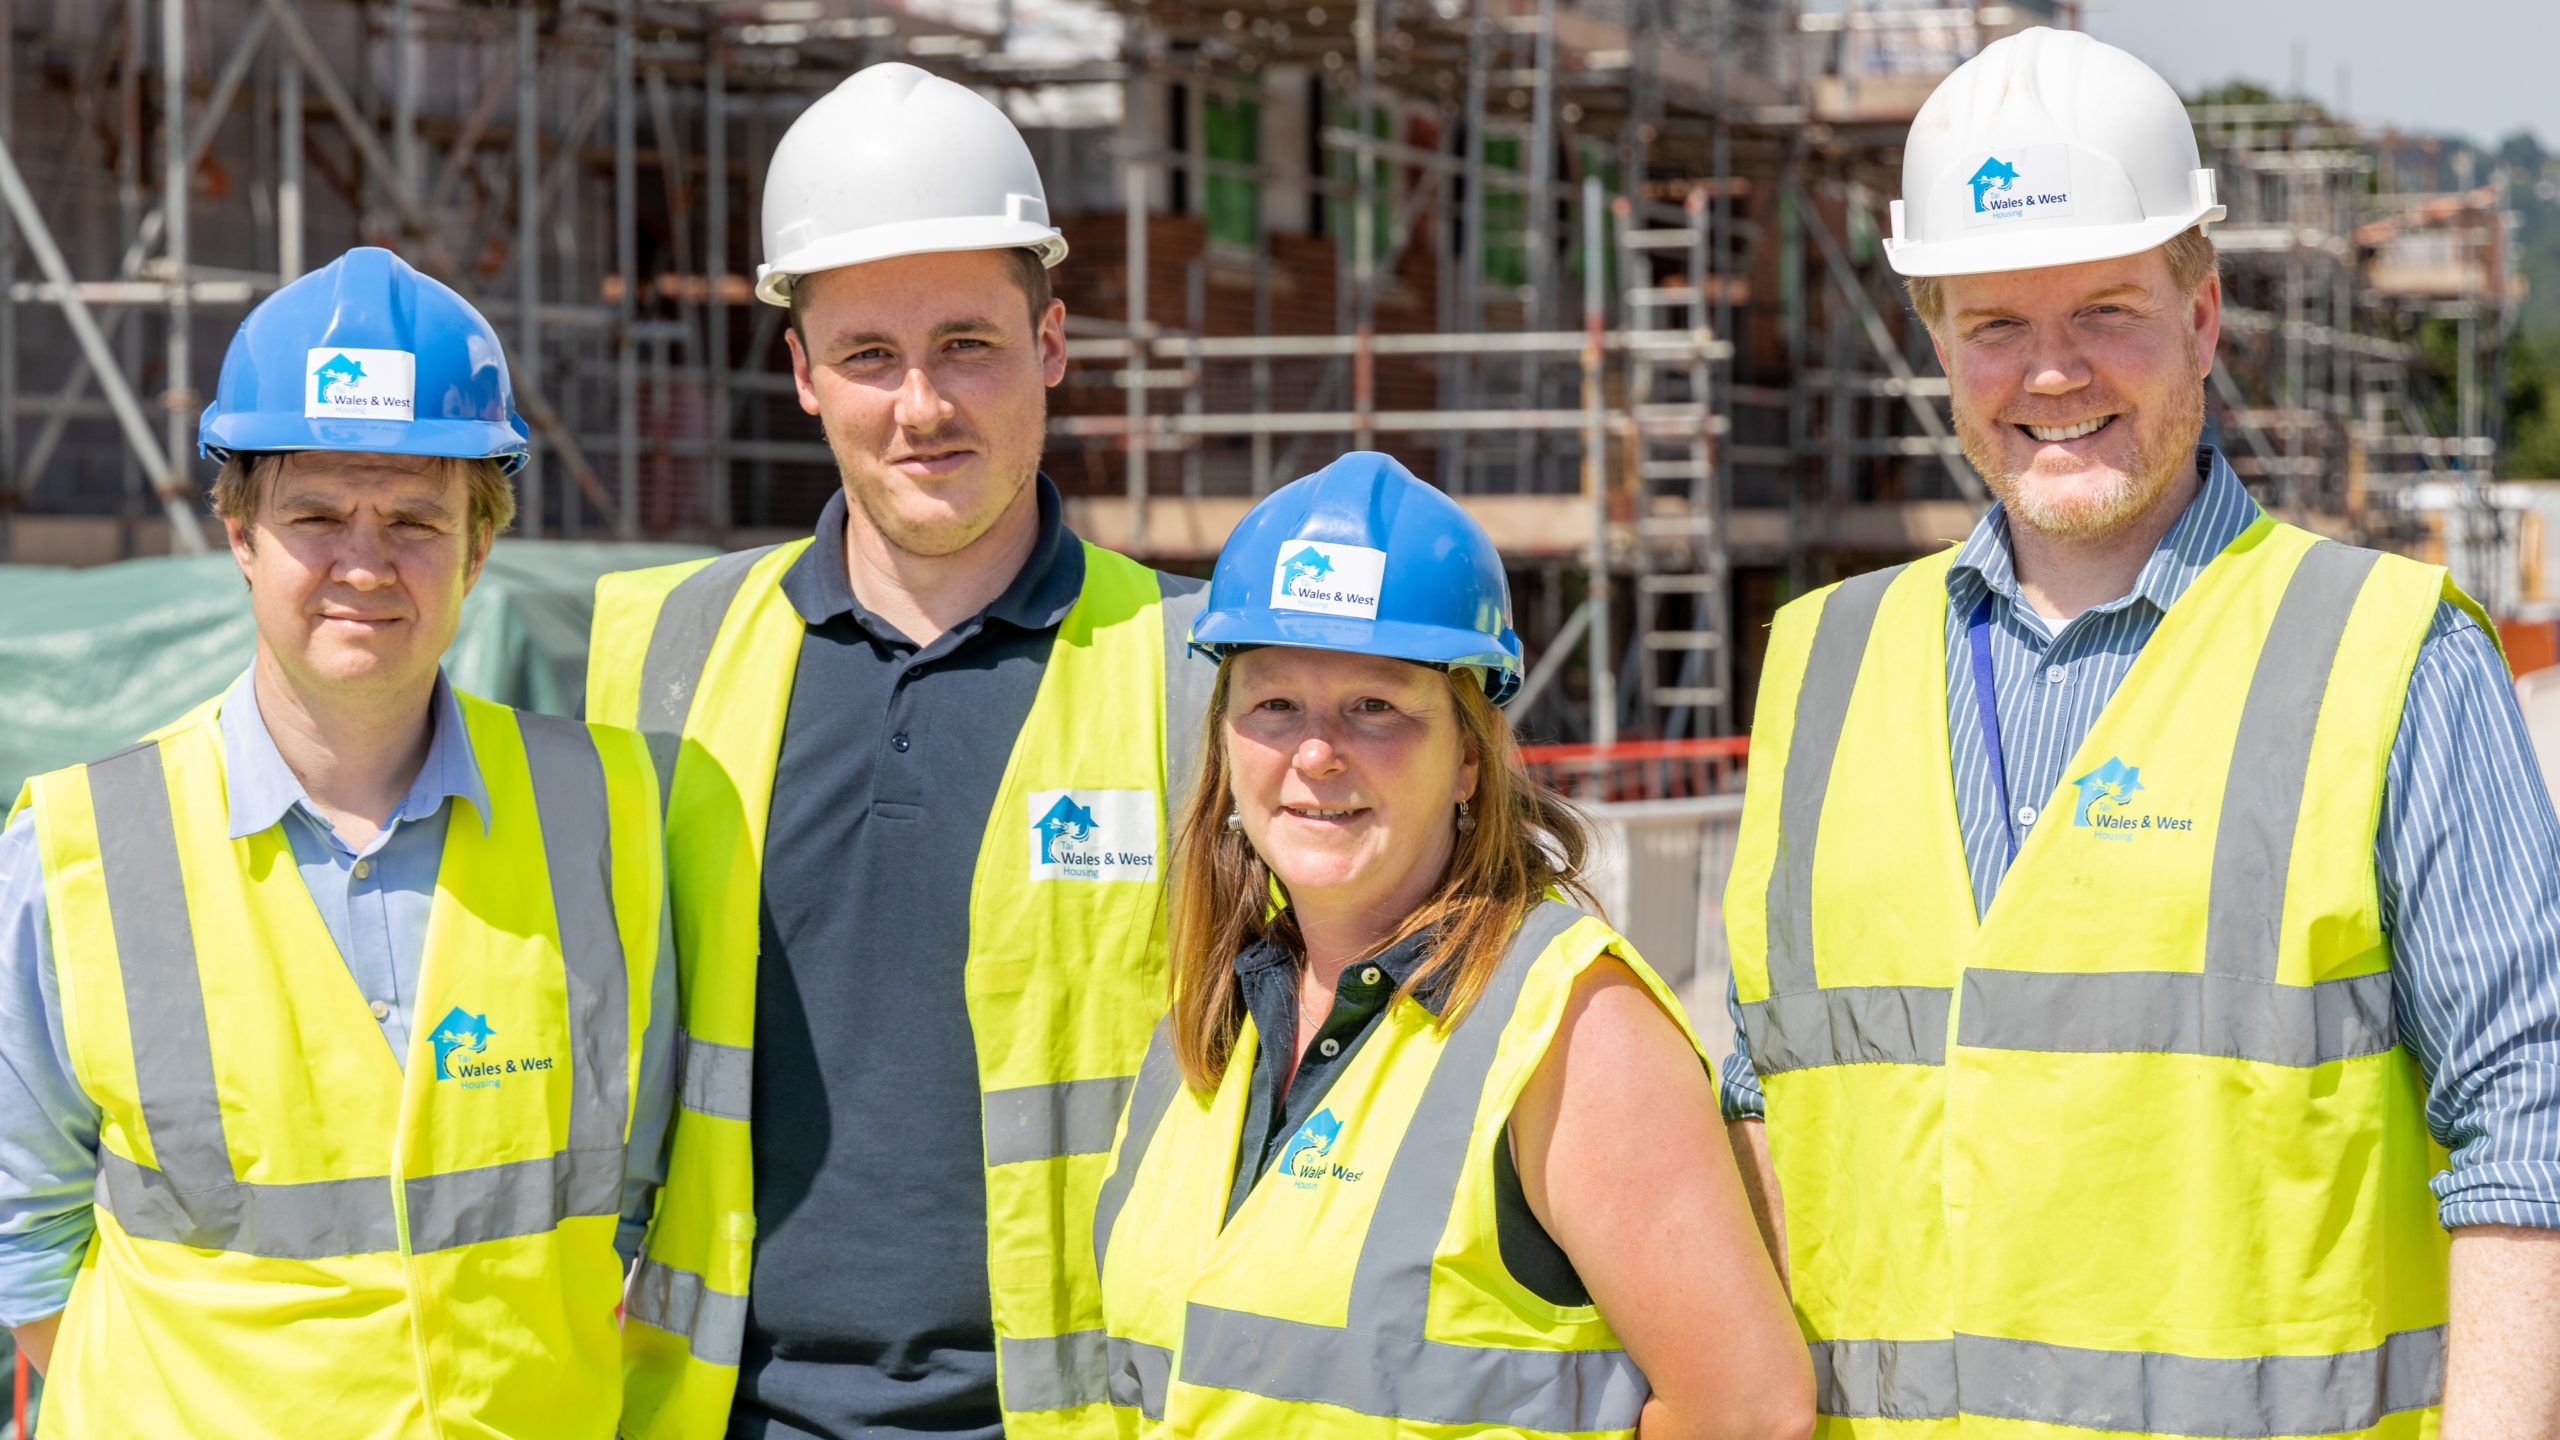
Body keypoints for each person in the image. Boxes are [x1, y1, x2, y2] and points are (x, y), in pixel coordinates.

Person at [1720, 27, 2560, 1438]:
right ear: (1937, 341)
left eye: (2106, 310)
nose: (2051, 375)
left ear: (2205, 318)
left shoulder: (2388, 656)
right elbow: (1770, 1104)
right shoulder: (1818, 662)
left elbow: (2526, 1126)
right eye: (1995, 324)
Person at [591, 63, 1213, 1440]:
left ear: (1053, 342)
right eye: (870, 356)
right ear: (804, 373)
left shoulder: (1198, 674)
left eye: (968, 345)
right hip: (723, 1415)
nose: (922, 405)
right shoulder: (665, 654)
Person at [0, 246, 674, 1435]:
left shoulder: (606, 815)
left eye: (415, 518)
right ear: (241, 535)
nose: (364, 563)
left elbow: (640, 1193)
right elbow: (22, 1236)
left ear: (479, 544)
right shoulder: (79, 847)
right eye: (315, 515)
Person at [1094, 452, 1813, 1440]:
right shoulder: (1214, 1014)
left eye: (1376, 706)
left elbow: (1744, 1415)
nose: (1315, 752)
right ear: (1225, 739)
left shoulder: (1572, 1028)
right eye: (1274, 704)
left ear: (1470, 757)